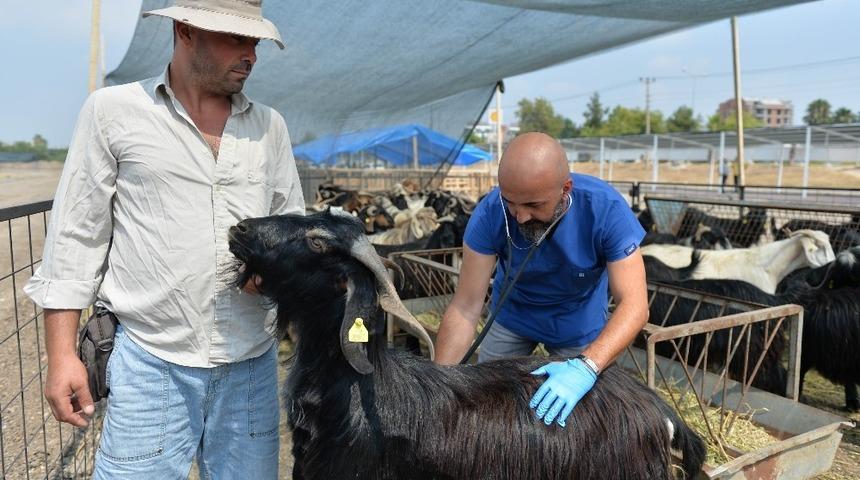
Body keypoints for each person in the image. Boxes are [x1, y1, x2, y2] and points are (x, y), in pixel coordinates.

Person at [24, 1, 303, 478]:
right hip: (151, 364)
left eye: (254, 42)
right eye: (236, 39)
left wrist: (276, 270)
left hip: (250, 366)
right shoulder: (113, 112)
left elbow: (290, 227)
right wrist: (62, 356)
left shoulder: (268, 127)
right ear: (185, 31)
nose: (251, 55)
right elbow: (75, 238)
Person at [434, 132, 648, 428]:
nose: (520, 217)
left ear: (565, 189)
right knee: (491, 401)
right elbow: (466, 307)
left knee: (578, 419)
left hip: (577, 322)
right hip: (513, 315)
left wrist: (587, 367)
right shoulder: (489, 214)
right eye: (510, 202)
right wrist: (437, 386)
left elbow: (635, 305)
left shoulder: (606, 209)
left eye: (533, 205)